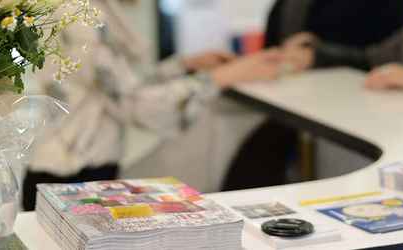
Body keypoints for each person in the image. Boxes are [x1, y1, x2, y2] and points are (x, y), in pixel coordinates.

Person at [21, 0, 282, 211]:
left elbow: (119, 84)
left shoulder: (88, 8)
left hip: (76, 168)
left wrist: (183, 65)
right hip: (70, 176)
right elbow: (134, 103)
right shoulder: (78, 14)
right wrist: (220, 78)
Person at [223, 0, 403, 191]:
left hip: (362, 114)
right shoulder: (289, 7)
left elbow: (375, 57)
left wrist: (318, 54)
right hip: (295, 104)